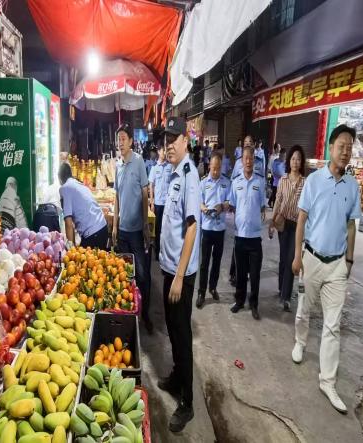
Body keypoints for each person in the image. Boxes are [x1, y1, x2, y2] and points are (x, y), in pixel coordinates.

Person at [291, 124, 361, 414]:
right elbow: (301, 219)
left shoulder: (353, 186)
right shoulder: (314, 180)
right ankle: (300, 341)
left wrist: (349, 260)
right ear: (330, 148)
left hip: (337, 265)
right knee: (304, 309)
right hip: (311, 258)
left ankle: (328, 381)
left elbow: (351, 224)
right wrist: (297, 256)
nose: (345, 152)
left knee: (333, 324)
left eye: (349, 147)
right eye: (341, 146)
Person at [156, 116, 201, 432]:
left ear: (186, 140)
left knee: (183, 336)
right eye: (166, 140)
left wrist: (180, 277)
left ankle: (187, 403)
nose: (169, 145)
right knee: (172, 330)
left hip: (179, 275)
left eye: (174, 139)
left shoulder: (189, 175)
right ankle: (176, 377)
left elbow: (192, 227)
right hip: (169, 268)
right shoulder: (173, 173)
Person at [113, 123, 152, 332]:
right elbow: (117, 197)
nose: (120, 142)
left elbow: (145, 194)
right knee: (125, 275)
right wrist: (115, 226)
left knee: (143, 275)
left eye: (123, 139)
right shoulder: (118, 164)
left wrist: (145, 224)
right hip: (123, 232)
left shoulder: (138, 162)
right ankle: (130, 314)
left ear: (130, 141)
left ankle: (145, 314)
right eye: (118, 139)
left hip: (137, 231)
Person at [229, 144, 267, 320]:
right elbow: (232, 205)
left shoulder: (260, 182)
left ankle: (254, 304)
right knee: (241, 273)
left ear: (254, 160)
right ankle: (239, 301)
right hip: (240, 236)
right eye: (245, 158)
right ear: (241, 161)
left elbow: (262, 206)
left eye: (251, 158)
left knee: (255, 274)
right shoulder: (236, 182)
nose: (248, 161)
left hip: (254, 237)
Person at [268, 145, 305, 312]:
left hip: (297, 225)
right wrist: (272, 221)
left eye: (298, 159)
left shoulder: (305, 182)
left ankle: (286, 297)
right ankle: (281, 287)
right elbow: (278, 201)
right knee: (283, 258)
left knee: (291, 258)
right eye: (293, 159)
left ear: (301, 162)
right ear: (289, 161)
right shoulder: (283, 180)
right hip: (282, 223)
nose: (295, 162)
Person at [197, 151, 230, 308]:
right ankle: (201, 292)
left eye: (218, 168)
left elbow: (229, 201)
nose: (216, 171)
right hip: (207, 228)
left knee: (217, 261)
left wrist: (222, 206)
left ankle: (213, 287)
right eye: (213, 168)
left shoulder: (226, 182)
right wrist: (203, 208)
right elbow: (199, 201)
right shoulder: (203, 183)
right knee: (204, 262)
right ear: (209, 165)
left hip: (220, 229)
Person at [58, 163, 108, 249]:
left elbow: (68, 223)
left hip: (93, 234)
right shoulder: (79, 185)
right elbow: (72, 224)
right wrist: (73, 246)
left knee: (84, 257)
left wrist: (71, 250)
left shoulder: (65, 188)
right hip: (102, 228)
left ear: (59, 178)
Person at [148, 145, 173, 261]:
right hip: (158, 203)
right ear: (158, 152)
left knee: (167, 229)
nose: (165, 152)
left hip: (167, 204)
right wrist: (152, 202)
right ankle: (157, 252)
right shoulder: (154, 167)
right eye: (163, 150)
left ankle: (166, 252)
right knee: (157, 229)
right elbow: (151, 185)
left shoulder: (170, 166)